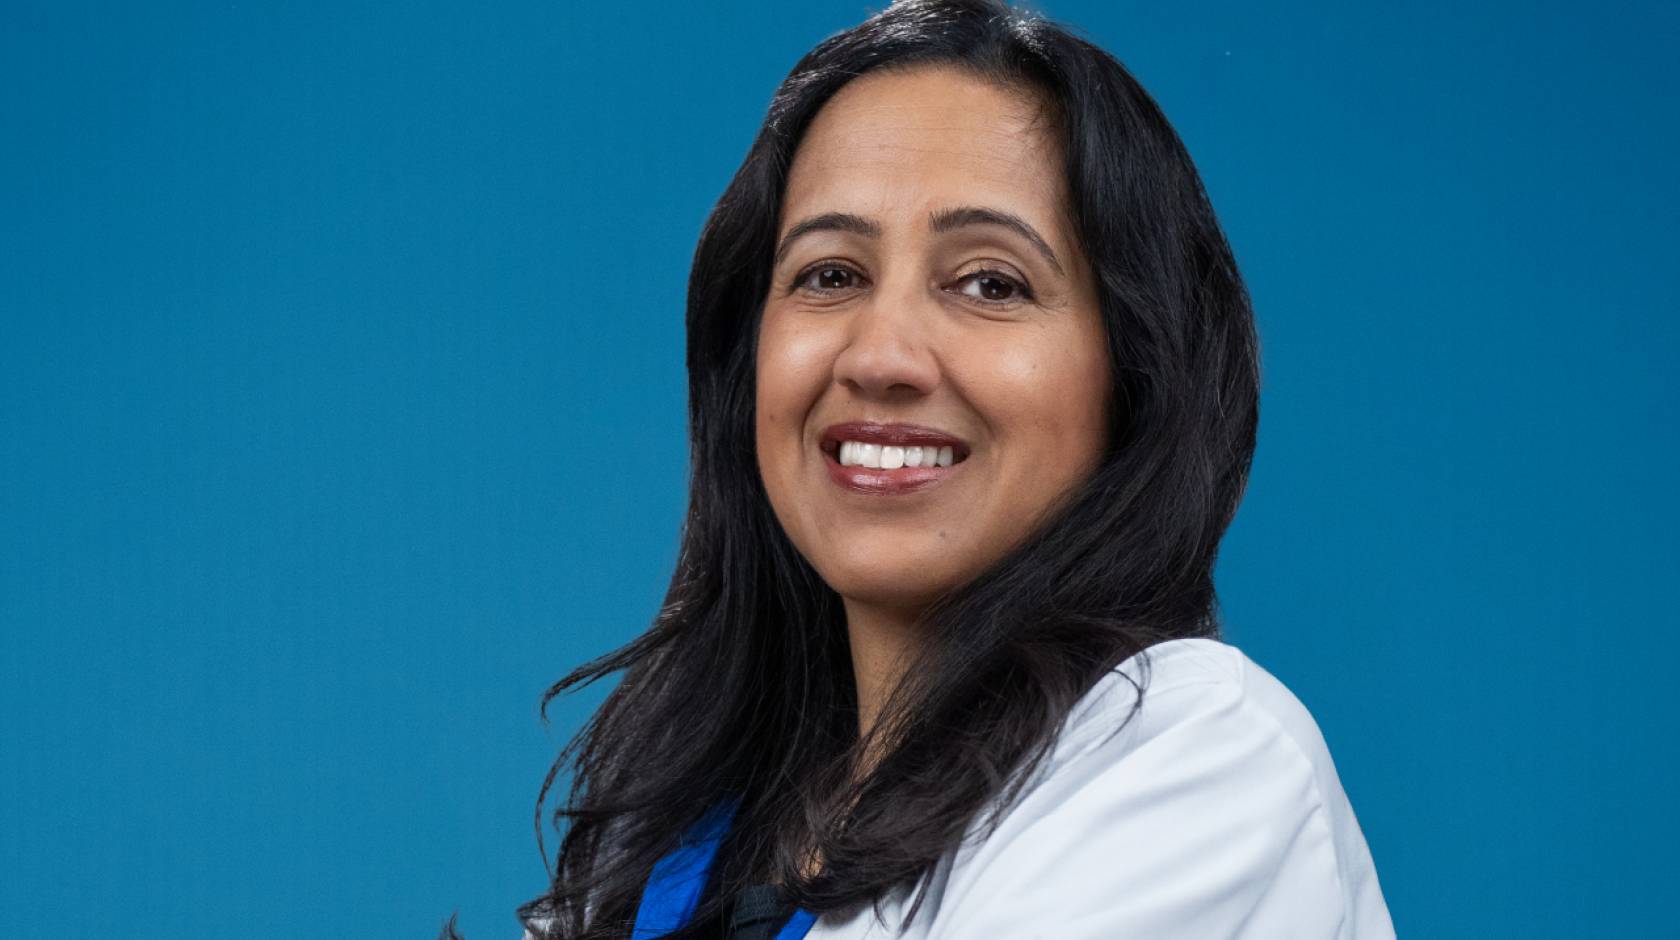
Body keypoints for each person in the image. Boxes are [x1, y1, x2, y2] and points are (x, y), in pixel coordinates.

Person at [508, 1, 1396, 937]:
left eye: (989, 283)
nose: (880, 356)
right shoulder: (685, 840)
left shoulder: (1194, 763)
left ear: (1135, 372)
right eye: (830, 275)